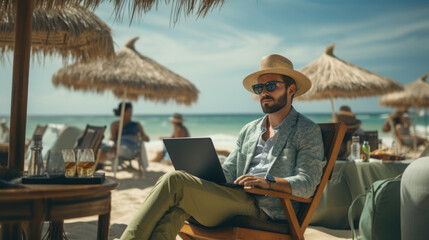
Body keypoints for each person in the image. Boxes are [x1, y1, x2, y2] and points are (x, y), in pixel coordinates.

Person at [120, 54, 325, 240]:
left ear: (291, 89)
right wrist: (203, 170)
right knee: (177, 207)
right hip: (235, 198)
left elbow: (307, 184)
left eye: (271, 86)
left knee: (174, 181)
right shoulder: (249, 130)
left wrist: (268, 182)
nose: (263, 92)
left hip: (267, 209)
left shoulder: (306, 130)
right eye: (259, 88)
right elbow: (229, 171)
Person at [97, 102, 150, 169]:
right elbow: (112, 139)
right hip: (118, 147)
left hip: (131, 150)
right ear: (123, 112)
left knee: (112, 149)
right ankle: (99, 165)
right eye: (128, 111)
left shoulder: (136, 125)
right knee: (102, 147)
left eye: (131, 111)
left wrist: (140, 137)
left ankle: (100, 164)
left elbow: (147, 139)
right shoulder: (115, 124)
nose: (131, 113)